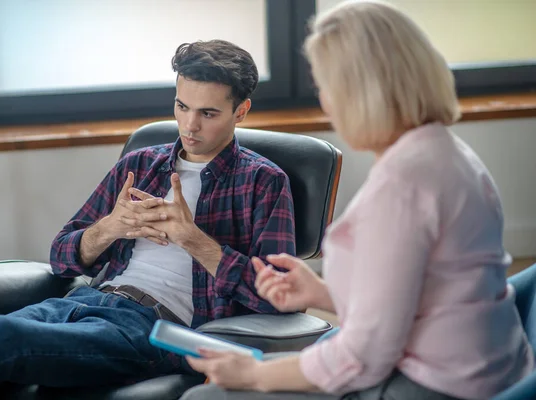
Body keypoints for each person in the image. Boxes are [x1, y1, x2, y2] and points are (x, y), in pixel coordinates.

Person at [181, 2, 534, 400]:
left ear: (363, 92)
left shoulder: (404, 185)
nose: (326, 104)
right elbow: (423, 297)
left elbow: (363, 356)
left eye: (327, 89)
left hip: (433, 386)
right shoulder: (445, 153)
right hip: (483, 367)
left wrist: (255, 373)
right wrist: (320, 294)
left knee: (203, 398)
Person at [0, 39, 296, 399]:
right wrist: (111, 227)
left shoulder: (263, 182)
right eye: (182, 106)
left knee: (4, 340)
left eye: (208, 113)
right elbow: (61, 257)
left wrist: (192, 239)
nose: (189, 125)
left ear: (241, 111)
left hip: (155, 329)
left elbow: (280, 297)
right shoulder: (140, 165)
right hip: (85, 302)